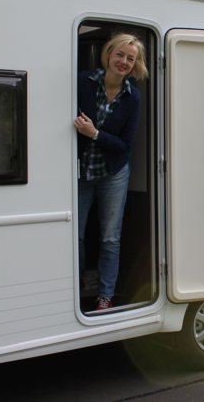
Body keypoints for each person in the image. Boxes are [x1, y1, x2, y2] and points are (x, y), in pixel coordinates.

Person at [74, 33, 148, 311]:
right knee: (76, 235)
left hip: (113, 173)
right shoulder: (83, 82)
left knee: (110, 237)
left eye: (131, 58)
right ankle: (78, 288)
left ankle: (105, 295)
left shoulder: (133, 98)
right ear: (109, 54)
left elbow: (125, 146)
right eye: (120, 55)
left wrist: (94, 134)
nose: (124, 62)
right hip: (81, 172)